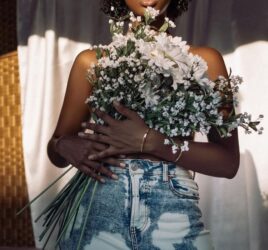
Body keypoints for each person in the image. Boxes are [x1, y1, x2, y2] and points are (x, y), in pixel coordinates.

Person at [47, 0, 240, 249]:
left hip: (174, 217)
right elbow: (56, 149)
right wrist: (63, 145)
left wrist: (153, 142)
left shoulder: (204, 61)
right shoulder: (91, 62)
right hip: (98, 211)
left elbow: (228, 162)